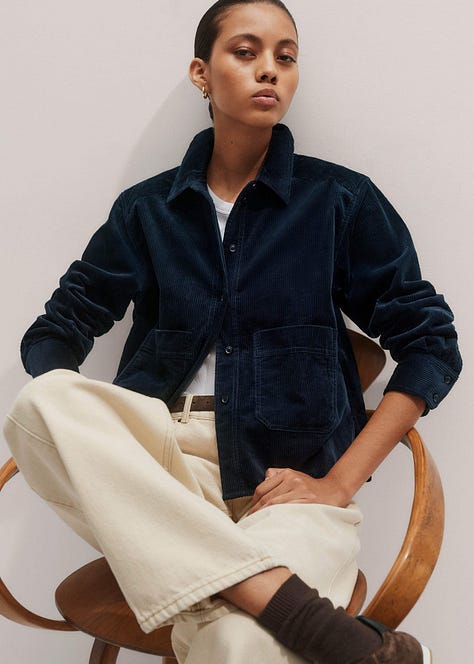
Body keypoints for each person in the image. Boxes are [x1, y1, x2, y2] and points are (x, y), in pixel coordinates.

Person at [3, 1, 461, 662]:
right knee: (42, 402)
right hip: (161, 470)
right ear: (202, 73)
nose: (268, 69)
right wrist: (102, 448)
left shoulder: (340, 202)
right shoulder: (147, 211)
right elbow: (57, 329)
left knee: (237, 640)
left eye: (285, 56)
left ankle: (229, 588)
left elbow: (430, 344)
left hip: (292, 480)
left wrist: (338, 484)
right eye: (245, 52)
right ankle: (296, 609)